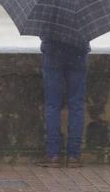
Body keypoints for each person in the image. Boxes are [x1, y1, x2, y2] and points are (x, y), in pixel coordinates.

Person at [37, 37, 89, 168]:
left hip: (53, 53)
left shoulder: (49, 15)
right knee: (76, 106)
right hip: (78, 53)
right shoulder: (81, 17)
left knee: (52, 105)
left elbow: (43, 33)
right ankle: (73, 156)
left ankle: (53, 154)